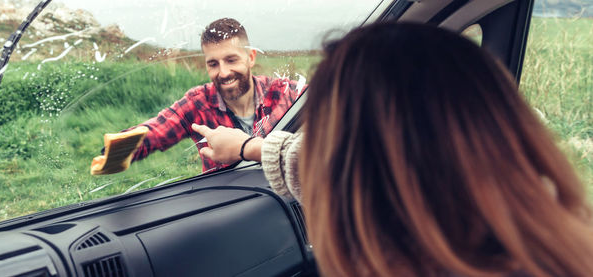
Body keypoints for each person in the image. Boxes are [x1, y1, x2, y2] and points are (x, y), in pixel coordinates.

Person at [193, 22, 593, 276]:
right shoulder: (557, 235)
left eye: (326, 133)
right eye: (214, 64)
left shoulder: (396, 244)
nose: (224, 72)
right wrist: (248, 147)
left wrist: (249, 147)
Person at [105, 18, 303, 173]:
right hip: (225, 203)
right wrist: (115, 150)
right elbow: (157, 130)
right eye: (213, 64)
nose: (223, 72)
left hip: (280, 199)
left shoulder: (285, 92)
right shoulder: (198, 102)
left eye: (231, 60)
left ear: (250, 57)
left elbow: (328, 106)